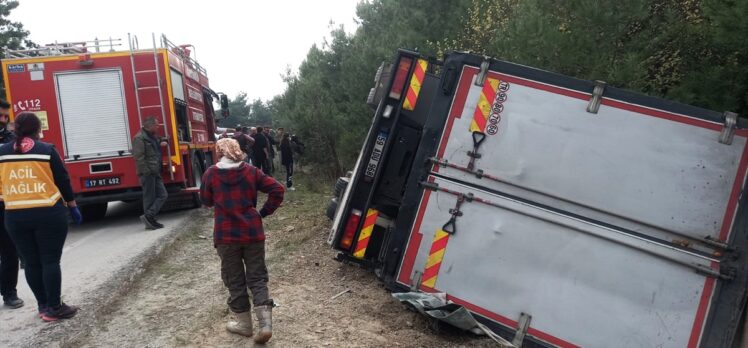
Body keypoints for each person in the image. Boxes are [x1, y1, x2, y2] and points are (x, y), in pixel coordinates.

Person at [200, 138, 284, 344]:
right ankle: (265, 325)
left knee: (234, 279)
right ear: (237, 150)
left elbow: (206, 200)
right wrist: (263, 212)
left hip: (226, 236)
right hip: (253, 233)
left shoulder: (211, 173)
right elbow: (278, 190)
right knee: (257, 278)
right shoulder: (251, 171)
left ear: (219, 152)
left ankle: (244, 325)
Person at [0, 112, 82, 321]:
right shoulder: (46, 150)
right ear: (38, 129)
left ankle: (43, 306)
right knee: (50, 261)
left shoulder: (2, 153)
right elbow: (62, 179)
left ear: (15, 128)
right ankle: (55, 307)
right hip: (47, 212)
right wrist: (72, 205)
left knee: (31, 262)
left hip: (15, 216)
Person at [0, 100, 23, 309]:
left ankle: (9, 292)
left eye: (6, 117)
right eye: (0, 116)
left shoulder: (11, 140)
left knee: (9, 250)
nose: (3, 120)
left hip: (5, 202)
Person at [132, 116, 168, 230]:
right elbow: (139, 157)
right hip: (147, 173)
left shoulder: (152, 136)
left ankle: (149, 216)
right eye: (157, 125)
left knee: (163, 194)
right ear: (150, 125)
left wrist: (163, 140)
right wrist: (146, 172)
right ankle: (150, 220)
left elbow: (159, 140)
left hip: (155, 171)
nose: (158, 127)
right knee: (149, 197)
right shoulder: (139, 138)